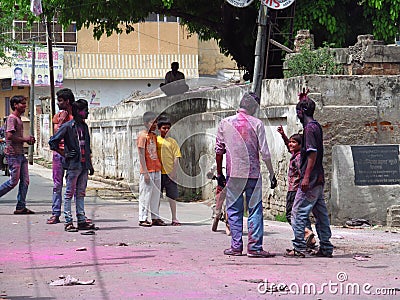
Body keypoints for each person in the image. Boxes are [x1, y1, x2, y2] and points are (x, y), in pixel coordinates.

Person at [215, 92, 277, 258]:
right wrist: (272, 174)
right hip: (253, 174)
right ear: (253, 108)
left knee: (234, 210)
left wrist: (219, 173)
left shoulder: (225, 123)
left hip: (233, 174)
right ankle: (255, 248)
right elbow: (265, 153)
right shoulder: (257, 124)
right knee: (255, 209)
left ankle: (236, 246)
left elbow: (219, 150)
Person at [285, 91, 334, 258]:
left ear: (302, 112)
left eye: (298, 112)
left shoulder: (309, 129)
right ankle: (326, 247)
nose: (297, 115)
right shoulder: (316, 126)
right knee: (320, 214)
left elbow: (312, 154)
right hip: (318, 177)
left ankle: (299, 247)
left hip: (311, 179)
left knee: (297, 212)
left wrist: (305, 177)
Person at [49, 99, 96, 232]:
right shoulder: (68, 126)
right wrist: (63, 153)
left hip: (83, 166)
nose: (87, 112)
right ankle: (68, 221)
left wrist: (90, 165)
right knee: (69, 193)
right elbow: (53, 141)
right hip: (73, 165)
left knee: (81, 193)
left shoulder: (84, 127)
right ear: (77, 111)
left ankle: (81, 219)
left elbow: (87, 147)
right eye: (84, 110)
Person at [277, 126, 316, 248]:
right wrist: (283, 135)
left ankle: (305, 232)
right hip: (295, 189)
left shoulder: (298, 157)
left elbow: (301, 172)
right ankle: (310, 240)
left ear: (300, 145)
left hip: (295, 190)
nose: (290, 144)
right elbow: (288, 146)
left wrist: (303, 181)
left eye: (294, 142)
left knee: (290, 215)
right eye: (290, 141)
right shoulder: (296, 154)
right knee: (302, 215)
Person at [0, 95, 35, 214]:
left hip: (20, 154)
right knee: (13, 181)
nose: (25, 106)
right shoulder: (12, 118)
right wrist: (25, 139)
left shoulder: (19, 119)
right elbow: (9, 136)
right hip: (13, 154)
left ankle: (21, 206)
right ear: (15, 105)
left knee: (25, 181)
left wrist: (26, 140)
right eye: (22, 103)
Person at [47, 88, 75, 224]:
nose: (58, 103)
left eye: (60, 101)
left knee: (73, 186)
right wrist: (61, 122)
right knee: (57, 185)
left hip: (71, 154)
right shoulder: (58, 117)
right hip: (59, 153)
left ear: (67, 101)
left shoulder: (76, 117)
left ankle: (76, 214)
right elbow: (56, 135)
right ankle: (55, 213)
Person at [137, 111, 164, 227]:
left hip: (156, 168)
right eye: (153, 122)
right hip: (147, 170)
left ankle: (155, 217)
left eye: (156, 122)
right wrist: (145, 172)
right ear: (146, 123)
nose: (155, 124)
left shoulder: (154, 136)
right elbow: (141, 154)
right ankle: (142, 217)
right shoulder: (142, 136)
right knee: (145, 194)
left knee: (156, 195)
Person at [156, 116, 181, 226]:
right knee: (157, 197)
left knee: (172, 197)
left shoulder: (172, 142)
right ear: (159, 129)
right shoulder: (155, 141)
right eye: (164, 128)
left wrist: (173, 172)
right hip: (157, 173)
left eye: (168, 128)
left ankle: (174, 218)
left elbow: (176, 157)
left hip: (170, 174)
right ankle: (155, 217)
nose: (166, 130)